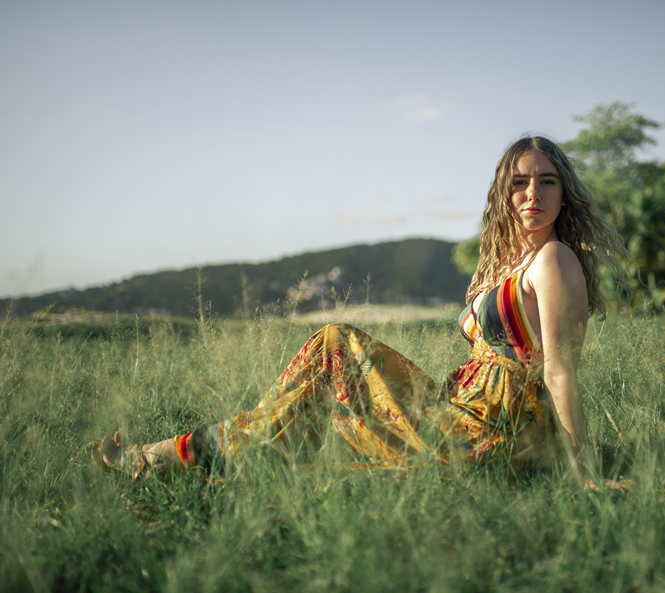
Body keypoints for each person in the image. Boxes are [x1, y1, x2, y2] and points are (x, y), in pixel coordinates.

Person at [93, 136, 629, 491]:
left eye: (546, 181)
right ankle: (202, 453)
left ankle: (167, 456)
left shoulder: (554, 259)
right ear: (502, 192)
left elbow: (559, 368)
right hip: (458, 404)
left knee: (333, 346)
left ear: (565, 194)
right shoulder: (508, 261)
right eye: (519, 181)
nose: (531, 192)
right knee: (325, 379)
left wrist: (583, 472)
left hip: (499, 425)